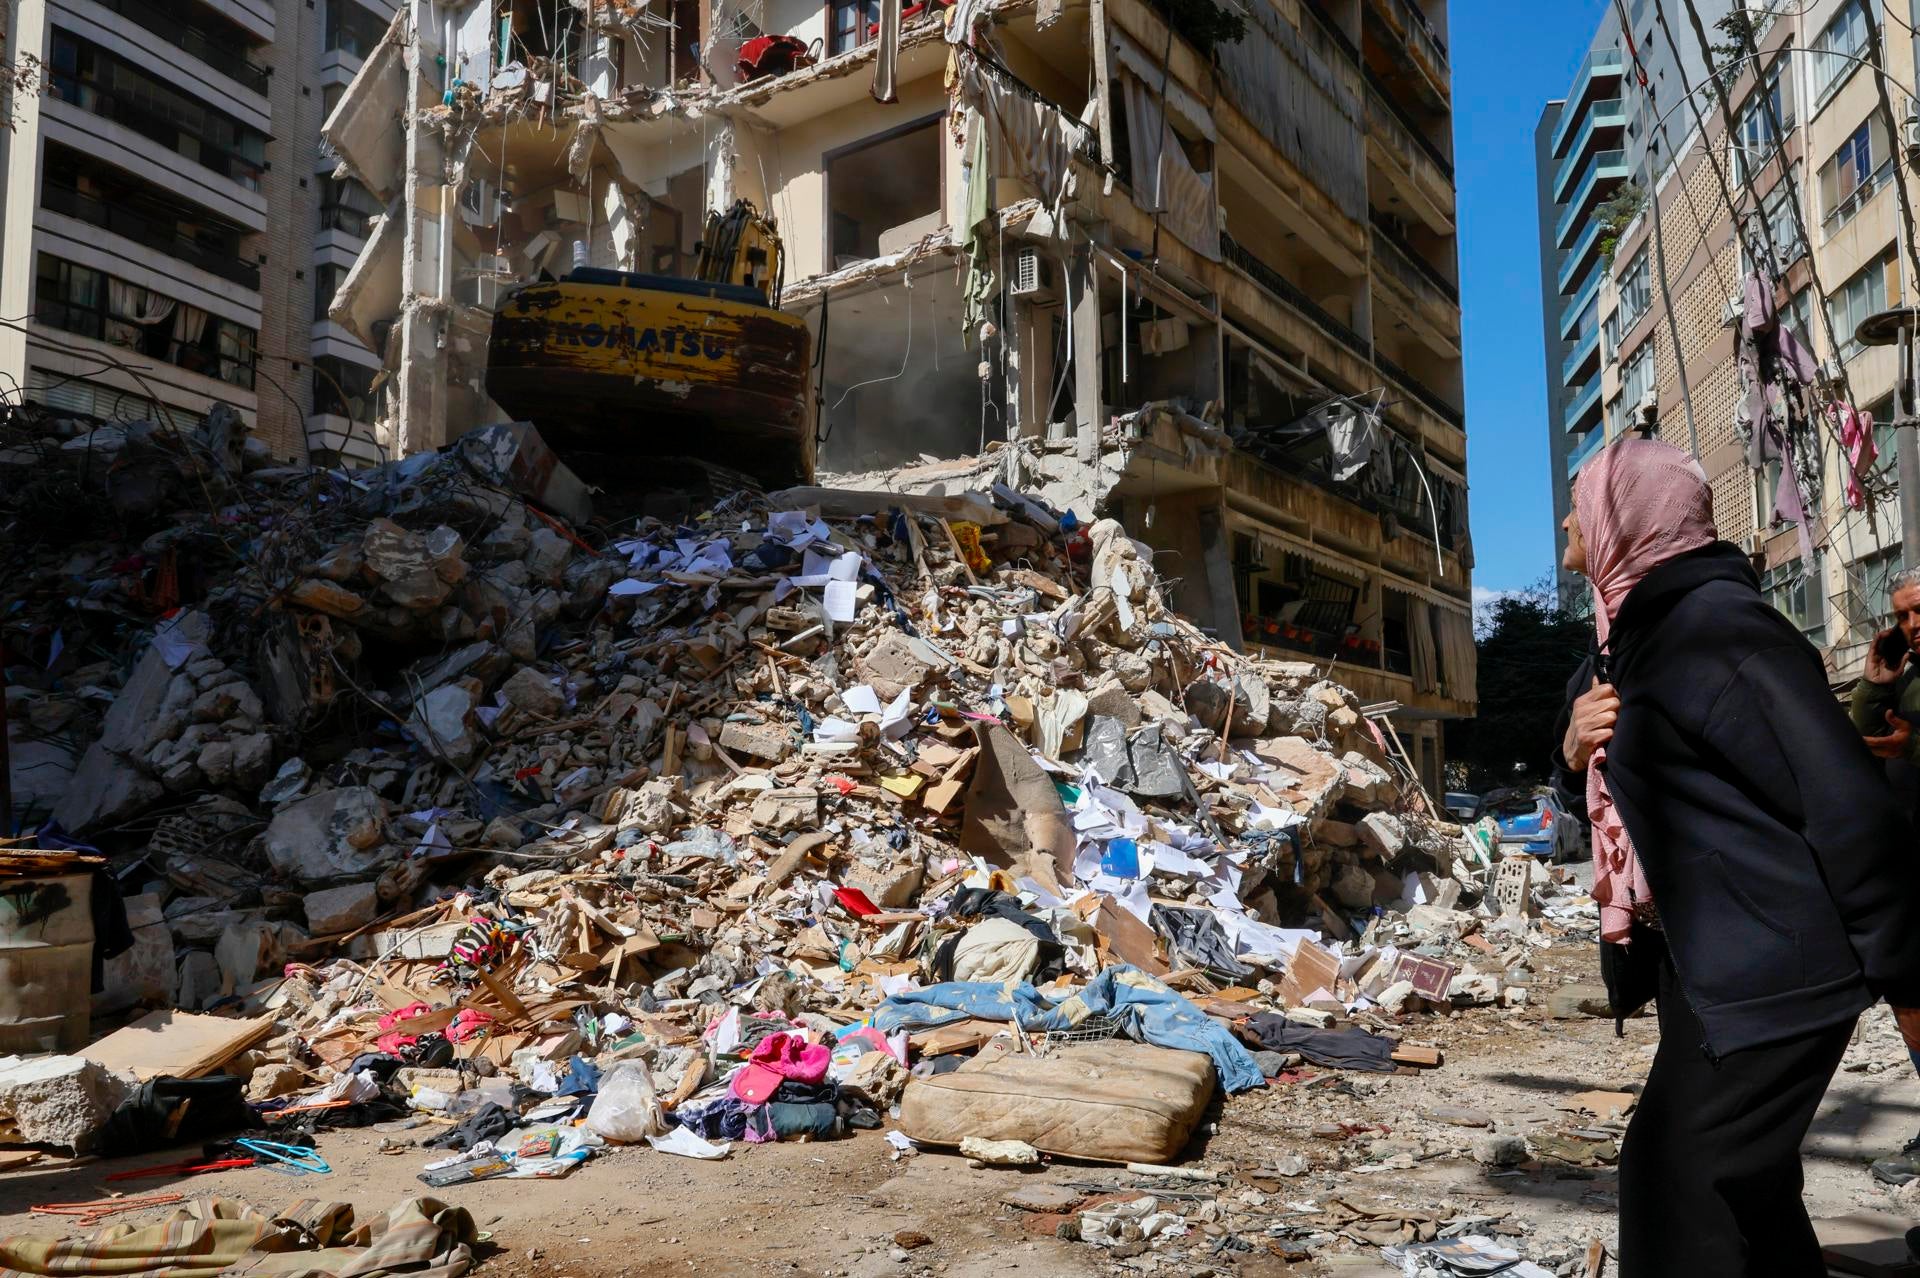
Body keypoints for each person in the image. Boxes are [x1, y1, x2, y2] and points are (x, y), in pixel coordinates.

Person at [1548, 438, 1920, 1276]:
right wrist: (1570, 752)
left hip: (1775, 971)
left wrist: (1903, 965)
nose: (1569, 517)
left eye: (1582, 499)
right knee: (1746, 1188)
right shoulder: (1626, 638)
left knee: (1678, 1179)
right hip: (1715, 960)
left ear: (1625, 518)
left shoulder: (1717, 631)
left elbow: (1844, 801)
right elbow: (1621, 783)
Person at [1848, 568, 1920, 1184]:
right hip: (1906, 867)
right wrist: (1874, 687)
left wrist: (1910, 750)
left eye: (1918, 611)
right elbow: (1861, 740)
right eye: (1900, 616)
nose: (1911, 626)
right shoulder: (1907, 672)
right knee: (1912, 1002)